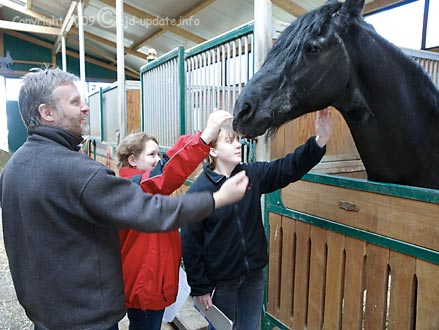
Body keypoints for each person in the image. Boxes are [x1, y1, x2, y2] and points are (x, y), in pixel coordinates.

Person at [0, 68, 249, 330]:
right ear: (46, 112)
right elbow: (151, 207)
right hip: (86, 318)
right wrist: (217, 199)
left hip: (45, 313)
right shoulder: (75, 170)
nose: (85, 108)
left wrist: (201, 140)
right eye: (74, 101)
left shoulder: (14, 168)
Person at [181, 108, 333, 329]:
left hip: (253, 275)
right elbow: (190, 242)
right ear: (213, 151)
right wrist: (200, 287)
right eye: (230, 141)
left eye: (238, 141)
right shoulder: (200, 191)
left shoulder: (250, 174)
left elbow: (288, 167)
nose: (238, 145)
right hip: (221, 282)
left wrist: (319, 141)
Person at [116, 110, 233, 330]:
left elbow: (167, 166)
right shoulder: (135, 189)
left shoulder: (136, 188)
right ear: (132, 159)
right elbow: (167, 173)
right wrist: (204, 139)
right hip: (146, 287)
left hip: (151, 284)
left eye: (158, 155)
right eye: (151, 155)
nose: (158, 160)